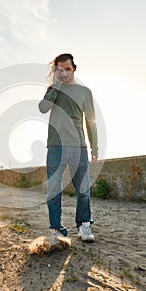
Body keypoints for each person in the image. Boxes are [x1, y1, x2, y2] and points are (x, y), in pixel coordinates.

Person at [38, 53, 98, 242]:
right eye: (60, 69)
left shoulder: (84, 92)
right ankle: (56, 229)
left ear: (74, 68)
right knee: (54, 189)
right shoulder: (53, 90)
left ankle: (84, 224)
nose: (64, 73)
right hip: (56, 146)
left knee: (83, 189)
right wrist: (55, 85)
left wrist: (94, 147)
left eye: (67, 69)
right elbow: (43, 108)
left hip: (79, 146)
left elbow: (91, 121)